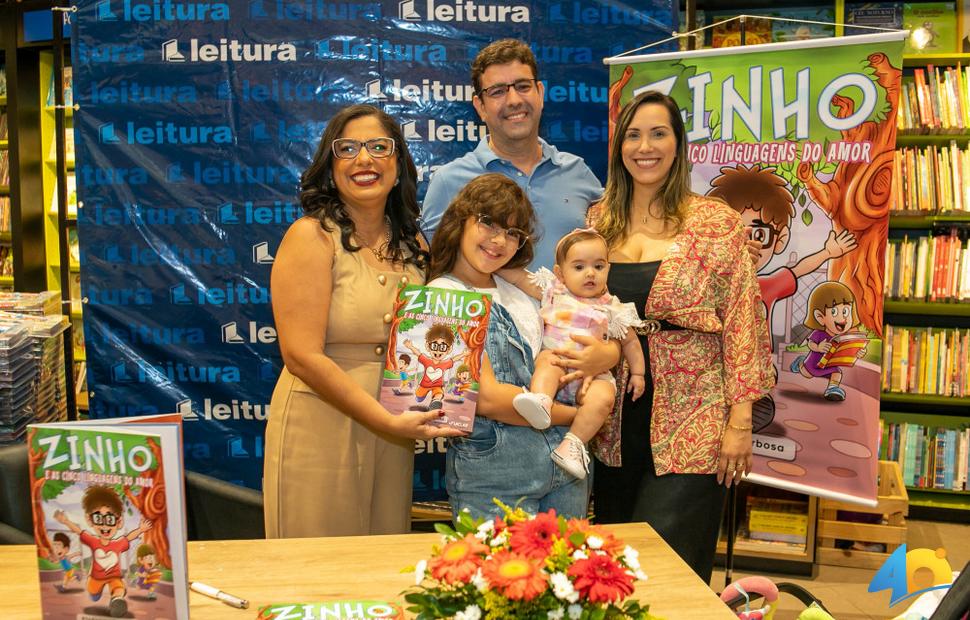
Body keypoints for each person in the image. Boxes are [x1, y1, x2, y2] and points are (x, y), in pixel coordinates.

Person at [587, 91, 774, 583]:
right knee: (613, 565)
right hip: (614, 423)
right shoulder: (598, 220)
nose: (644, 147)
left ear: (678, 145)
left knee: (671, 566)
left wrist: (739, 422)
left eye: (658, 133)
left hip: (695, 418)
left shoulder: (715, 222)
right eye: (632, 135)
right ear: (619, 147)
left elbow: (743, 322)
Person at [263, 104, 462, 539]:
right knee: (318, 577)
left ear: (398, 164)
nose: (364, 159)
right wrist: (385, 421)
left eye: (378, 147)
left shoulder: (416, 246)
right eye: (347, 148)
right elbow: (300, 356)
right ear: (330, 166)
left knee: (380, 569)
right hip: (320, 426)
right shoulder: (310, 236)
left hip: (394, 431)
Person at [426, 173, 620, 522]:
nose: (500, 240)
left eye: (513, 233)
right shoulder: (443, 297)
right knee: (502, 577)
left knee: (567, 575)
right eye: (489, 224)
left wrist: (607, 355)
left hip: (566, 472)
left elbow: (583, 325)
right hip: (497, 477)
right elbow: (484, 399)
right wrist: (582, 420)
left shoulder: (521, 290)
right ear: (460, 221)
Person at [421, 39, 602, 269]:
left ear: (540, 92)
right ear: (480, 107)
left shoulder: (579, 173)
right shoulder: (448, 182)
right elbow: (436, 271)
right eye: (497, 92)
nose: (514, 100)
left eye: (523, 86)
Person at [510, 228, 645, 481]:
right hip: (559, 359)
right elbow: (518, 278)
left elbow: (630, 342)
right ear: (560, 273)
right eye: (579, 267)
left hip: (593, 376)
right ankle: (541, 400)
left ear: (608, 269)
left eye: (598, 266)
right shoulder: (554, 290)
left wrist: (638, 372)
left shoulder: (613, 307)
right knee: (548, 362)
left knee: (605, 397)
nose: (590, 273)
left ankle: (572, 444)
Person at [54, 486, 153, 617]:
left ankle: (117, 601)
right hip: (95, 578)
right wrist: (66, 521)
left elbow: (129, 537)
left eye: (110, 519)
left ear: (119, 522)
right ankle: (96, 594)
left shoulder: (118, 543)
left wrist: (140, 530)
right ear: (90, 520)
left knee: (119, 588)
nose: (105, 525)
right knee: (94, 594)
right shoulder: (93, 541)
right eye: (98, 519)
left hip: (114, 577)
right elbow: (78, 531)